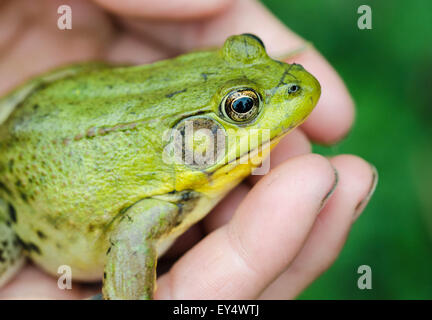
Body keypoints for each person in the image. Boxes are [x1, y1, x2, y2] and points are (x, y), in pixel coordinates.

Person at [0, 0, 377, 299]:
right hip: (16, 196)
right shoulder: (156, 206)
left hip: (47, 104)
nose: (289, 78)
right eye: (243, 107)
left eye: (252, 50)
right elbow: (131, 236)